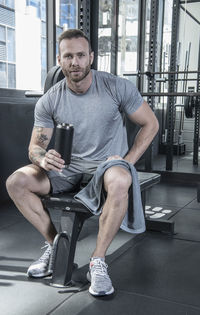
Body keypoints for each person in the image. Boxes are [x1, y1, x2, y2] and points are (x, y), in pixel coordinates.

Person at [6, 29, 159, 296]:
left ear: (91, 57)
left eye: (80, 55)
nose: (74, 62)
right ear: (60, 60)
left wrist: (127, 162)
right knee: (16, 181)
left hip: (106, 167)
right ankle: (57, 246)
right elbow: (35, 147)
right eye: (68, 56)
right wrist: (43, 157)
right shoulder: (50, 99)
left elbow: (151, 124)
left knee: (121, 177)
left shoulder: (115, 86)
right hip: (67, 168)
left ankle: (97, 260)